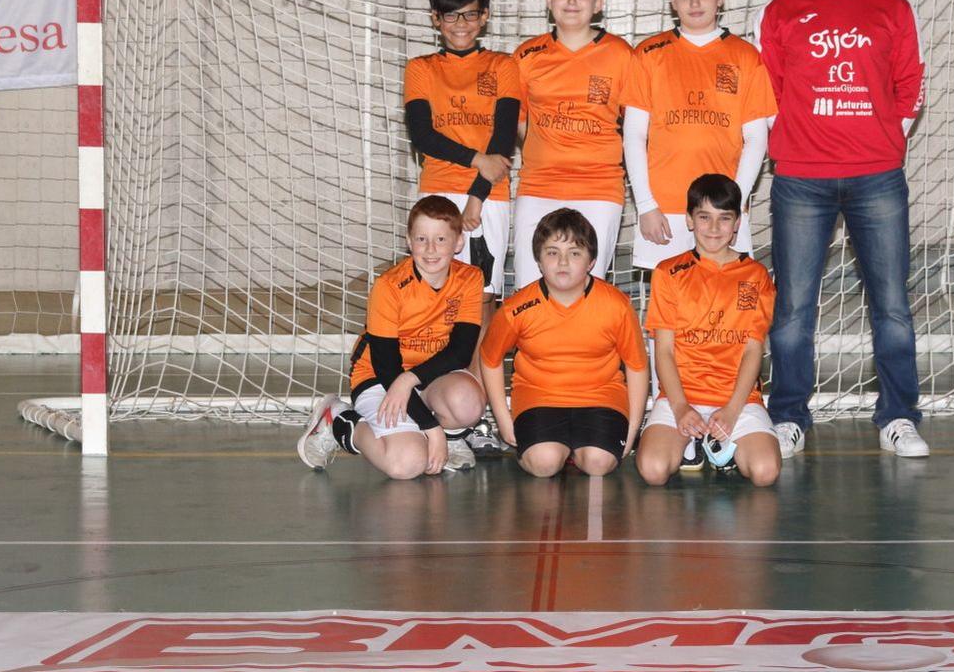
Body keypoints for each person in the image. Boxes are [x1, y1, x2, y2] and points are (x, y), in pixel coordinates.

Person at [755, 0, 929, 459]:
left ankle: (899, 417)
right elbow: (771, 93)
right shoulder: (781, 12)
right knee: (794, 306)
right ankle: (788, 417)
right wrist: (800, 146)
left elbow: (910, 87)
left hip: (877, 176)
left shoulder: (891, 7)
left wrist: (883, 141)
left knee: (892, 304)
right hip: (801, 178)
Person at [297, 197, 487, 478]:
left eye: (441, 239)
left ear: (458, 242)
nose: (431, 249)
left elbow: (460, 353)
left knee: (468, 402)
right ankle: (337, 419)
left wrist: (410, 380)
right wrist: (430, 428)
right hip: (380, 378)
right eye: (422, 239)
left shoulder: (470, 279)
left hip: (427, 376)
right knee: (406, 465)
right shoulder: (389, 286)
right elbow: (387, 367)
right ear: (409, 241)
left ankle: (452, 438)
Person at [624, 0, 776, 270]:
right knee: (669, 305)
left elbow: (756, 139)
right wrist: (646, 205)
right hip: (665, 209)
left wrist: (732, 207)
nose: (695, 3)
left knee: (724, 306)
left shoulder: (746, 57)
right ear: (672, 1)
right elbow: (634, 136)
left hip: (723, 209)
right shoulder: (648, 54)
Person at [477, 207, 649, 479]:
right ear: (539, 260)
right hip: (539, 396)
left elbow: (637, 367)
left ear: (591, 261)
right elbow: (489, 359)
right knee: (544, 464)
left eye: (575, 253)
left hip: (600, 395)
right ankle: (555, 448)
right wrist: (503, 418)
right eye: (552, 252)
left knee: (598, 463)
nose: (563, 262)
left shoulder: (616, 306)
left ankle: (579, 448)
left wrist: (633, 428)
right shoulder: (517, 308)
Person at [636, 174, 780, 487]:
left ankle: (722, 446)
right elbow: (663, 350)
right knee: (653, 470)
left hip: (736, 399)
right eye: (704, 217)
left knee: (765, 473)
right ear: (689, 220)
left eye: (724, 218)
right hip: (682, 395)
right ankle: (691, 441)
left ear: (738, 223)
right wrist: (680, 407)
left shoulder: (754, 275)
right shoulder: (668, 273)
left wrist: (731, 411)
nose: (714, 229)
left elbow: (754, 349)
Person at [510, 0, 636, 290]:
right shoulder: (526, 56)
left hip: (599, 189)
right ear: (549, 1)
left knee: (587, 291)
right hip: (539, 186)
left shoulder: (621, 54)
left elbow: (635, 127)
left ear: (598, 3)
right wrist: (547, 150)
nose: (572, 1)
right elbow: (519, 122)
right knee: (529, 291)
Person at [402, 0, 521, 304]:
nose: (460, 24)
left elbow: (503, 137)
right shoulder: (420, 68)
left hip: (488, 196)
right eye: (450, 15)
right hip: (438, 188)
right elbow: (423, 136)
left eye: (470, 13)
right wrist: (477, 159)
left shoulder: (503, 66)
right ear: (435, 19)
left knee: (482, 295)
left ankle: (480, 361)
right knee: (436, 293)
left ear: (484, 17)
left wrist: (476, 198)